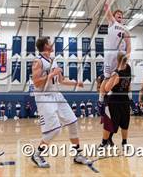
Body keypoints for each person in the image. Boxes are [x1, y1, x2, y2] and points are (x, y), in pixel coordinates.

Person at [30, 37, 90, 168]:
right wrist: (51, 75)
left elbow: (61, 80)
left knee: (73, 122)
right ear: (45, 45)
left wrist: (76, 83)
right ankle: (37, 154)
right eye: (50, 43)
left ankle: (78, 154)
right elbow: (36, 82)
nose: (52, 44)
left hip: (56, 94)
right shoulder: (38, 61)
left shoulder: (54, 61)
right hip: (43, 96)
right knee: (55, 129)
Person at [104, 52, 132, 148]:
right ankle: (106, 140)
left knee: (125, 122)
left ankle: (124, 142)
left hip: (124, 99)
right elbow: (107, 89)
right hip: (115, 100)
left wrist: (129, 91)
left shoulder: (128, 68)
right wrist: (114, 80)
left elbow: (128, 83)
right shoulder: (116, 73)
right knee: (114, 123)